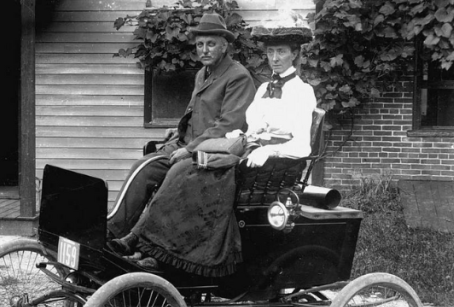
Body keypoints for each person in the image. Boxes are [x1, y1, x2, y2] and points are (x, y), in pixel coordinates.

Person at [109, 17, 317, 277]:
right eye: (271, 52)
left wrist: (268, 150)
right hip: (245, 149)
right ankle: (142, 243)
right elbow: (250, 127)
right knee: (184, 169)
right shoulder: (264, 88)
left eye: (282, 52)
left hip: (266, 163)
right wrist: (238, 137)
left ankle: (153, 248)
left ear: (294, 54)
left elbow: (302, 144)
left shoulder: (302, 92)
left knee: (183, 170)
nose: (275, 58)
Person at [105, 12, 257, 241]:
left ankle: (116, 231)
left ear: (224, 46)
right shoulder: (203, 73)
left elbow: (228, 126)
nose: (204, 50)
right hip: (186, 143)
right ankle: (115, 231)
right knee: (143, 167)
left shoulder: (238, 77)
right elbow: (195, 110)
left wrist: (189, 149)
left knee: (147, 168)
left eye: (211, 44)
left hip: (209, 154)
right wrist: (179, 130)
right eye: (200, 44)